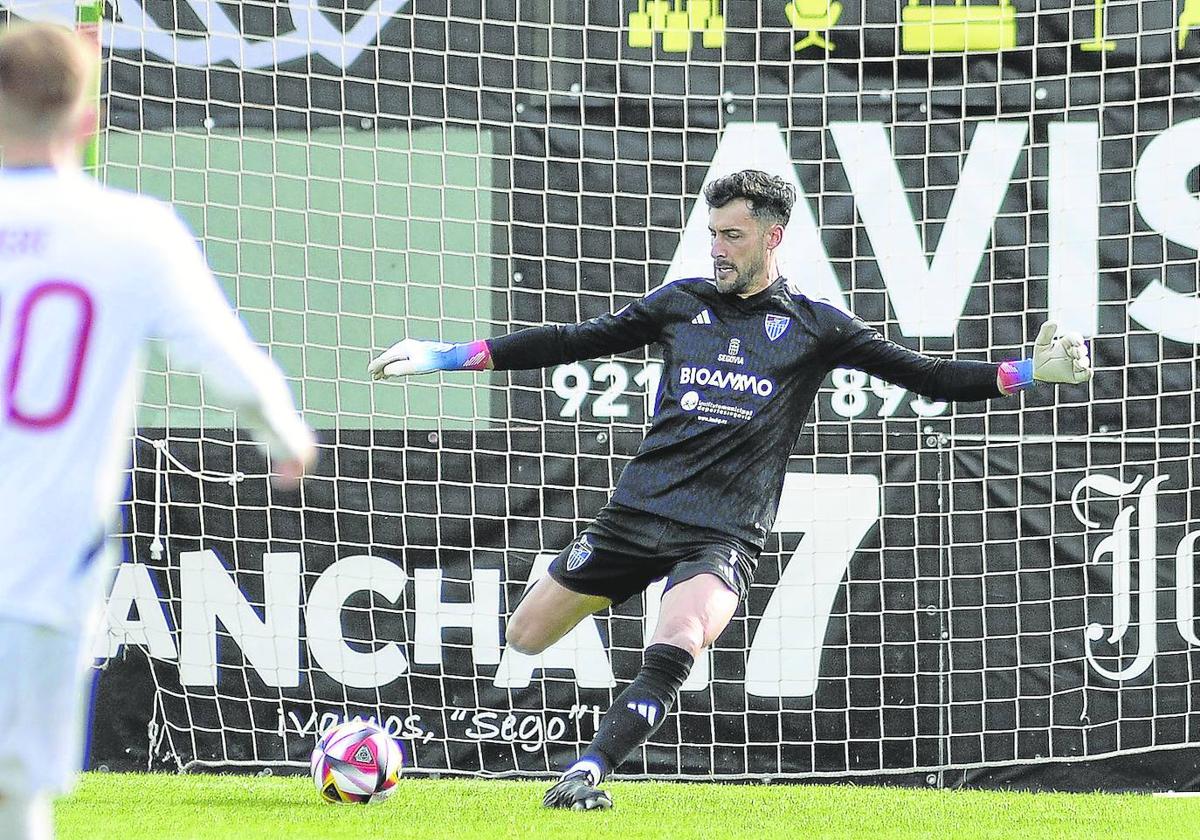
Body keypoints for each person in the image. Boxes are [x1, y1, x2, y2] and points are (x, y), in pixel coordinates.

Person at [368, 169, 1092, 810]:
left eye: (733, 235)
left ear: (773, 237)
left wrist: (1030, 374)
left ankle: (586, 770)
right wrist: (441, 356)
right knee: (525, 637)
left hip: (723, 531)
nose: (717, 247)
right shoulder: (679, 304)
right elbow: (567, 340)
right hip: (636, 514)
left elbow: (929, 377)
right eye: (712, 233)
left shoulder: (815, 325)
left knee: (681, 635)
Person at [0, 21, 317, 840]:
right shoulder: (132, 233)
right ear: (87, 119)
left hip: (41, 561)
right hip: (39, 563)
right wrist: (282, 433)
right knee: (17, 798)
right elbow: (233, 365)